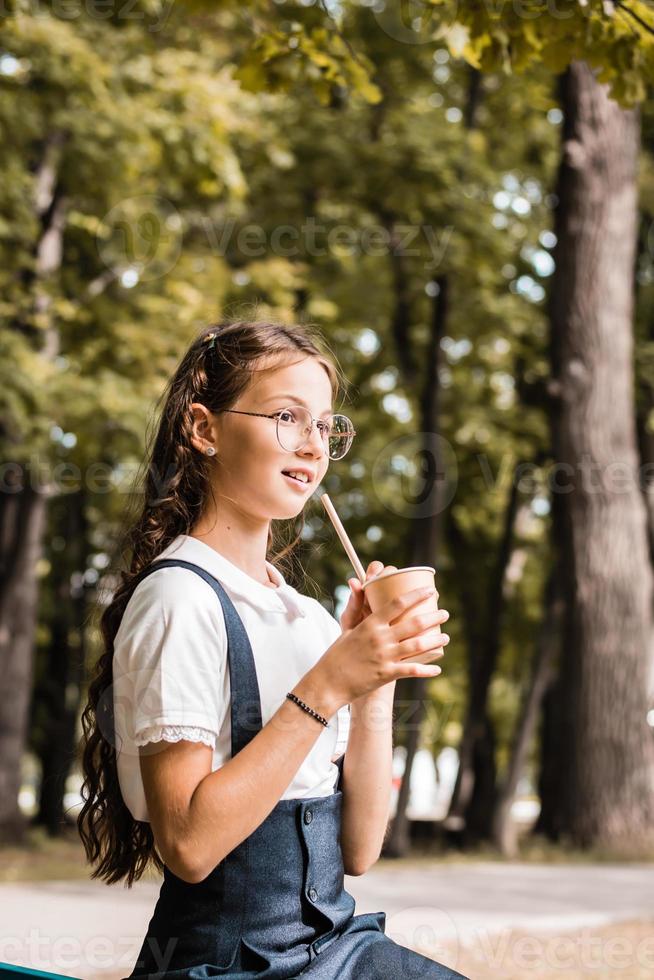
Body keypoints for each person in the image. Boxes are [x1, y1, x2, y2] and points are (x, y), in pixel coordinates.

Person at [77, 319, 467, 979]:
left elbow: (360, 850)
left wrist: (374, 678)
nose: (313, 446)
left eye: (324, 426)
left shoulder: (306, 616)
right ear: (204, 430)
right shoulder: (179, 599)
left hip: (334, 949)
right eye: (287, 416)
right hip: (229, 965)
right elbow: (190, 848)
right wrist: (326, 687)